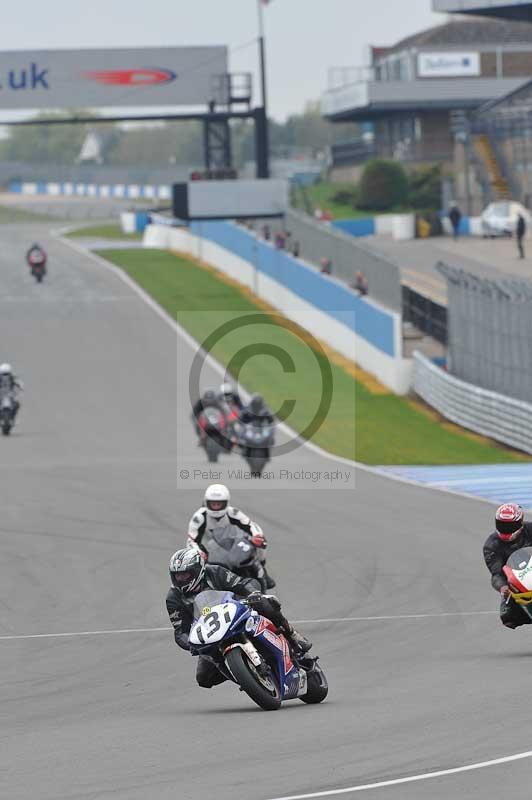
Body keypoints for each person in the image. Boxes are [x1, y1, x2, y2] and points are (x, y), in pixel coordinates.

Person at [166, 548, 311, 688]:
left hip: (237, 612)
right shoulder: (173, 598)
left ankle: (292, 635)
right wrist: (191, 644)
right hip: (211, 634)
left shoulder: (214, 572)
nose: (181, 579)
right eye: (177, 575)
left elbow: (243, 583)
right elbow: (180, 631)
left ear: (198, 570)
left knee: (264, 603)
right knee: (204, 678)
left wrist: (253, 593)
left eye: (185, 575)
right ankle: (244, 673)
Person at [187, 483, 276, 589]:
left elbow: (250, 524)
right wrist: (199, 552)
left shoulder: (233, 512)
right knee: (194, 572)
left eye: (219, 504)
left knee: (261, 541)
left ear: (226, 503)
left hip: (233, 548)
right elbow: (191, 540)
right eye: (213, 504)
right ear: (206, 503)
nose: (216, 507)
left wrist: (256, 536)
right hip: (210, 554)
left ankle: (262, 568)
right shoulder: (199, 517)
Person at [483, 503, 532, 629]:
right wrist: (503, 588)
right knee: (508, 617)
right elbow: (496, 574)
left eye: (510, 525)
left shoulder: (530, 529)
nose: (506, 529)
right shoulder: (492, 545)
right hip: (516, 584)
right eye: (502, 525)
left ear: (520, 523)